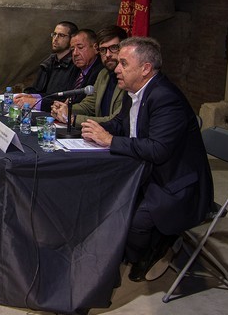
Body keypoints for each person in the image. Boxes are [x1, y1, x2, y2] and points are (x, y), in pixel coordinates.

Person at [80, 37, 213, 282]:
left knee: (132, 224)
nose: (117, 69)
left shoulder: (165, 98)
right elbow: (121, 124)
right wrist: (92, 131)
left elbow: (158, 149)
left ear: (145, 69)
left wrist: (109, 140)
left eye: (123, 63)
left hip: (176, 183)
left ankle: (156, 247)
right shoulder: (133, 91)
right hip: (146, 172)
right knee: (102, 203)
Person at [52, 25, 127, 126]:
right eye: (103, 50)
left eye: (114, 48)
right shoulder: (103, 74)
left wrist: (73, 119)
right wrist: (65, 109)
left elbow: (116, 121)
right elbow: (89, 105)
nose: (108, 55)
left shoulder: (130, 77)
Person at [14, 21, 78, 112]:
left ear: (72, 39)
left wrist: (35, 101)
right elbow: (39, 90)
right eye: (54, 34)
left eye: (61, 35)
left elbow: (63, 98)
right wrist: (29, 95)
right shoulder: (50, 61)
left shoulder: (75, 65)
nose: (55, 39)